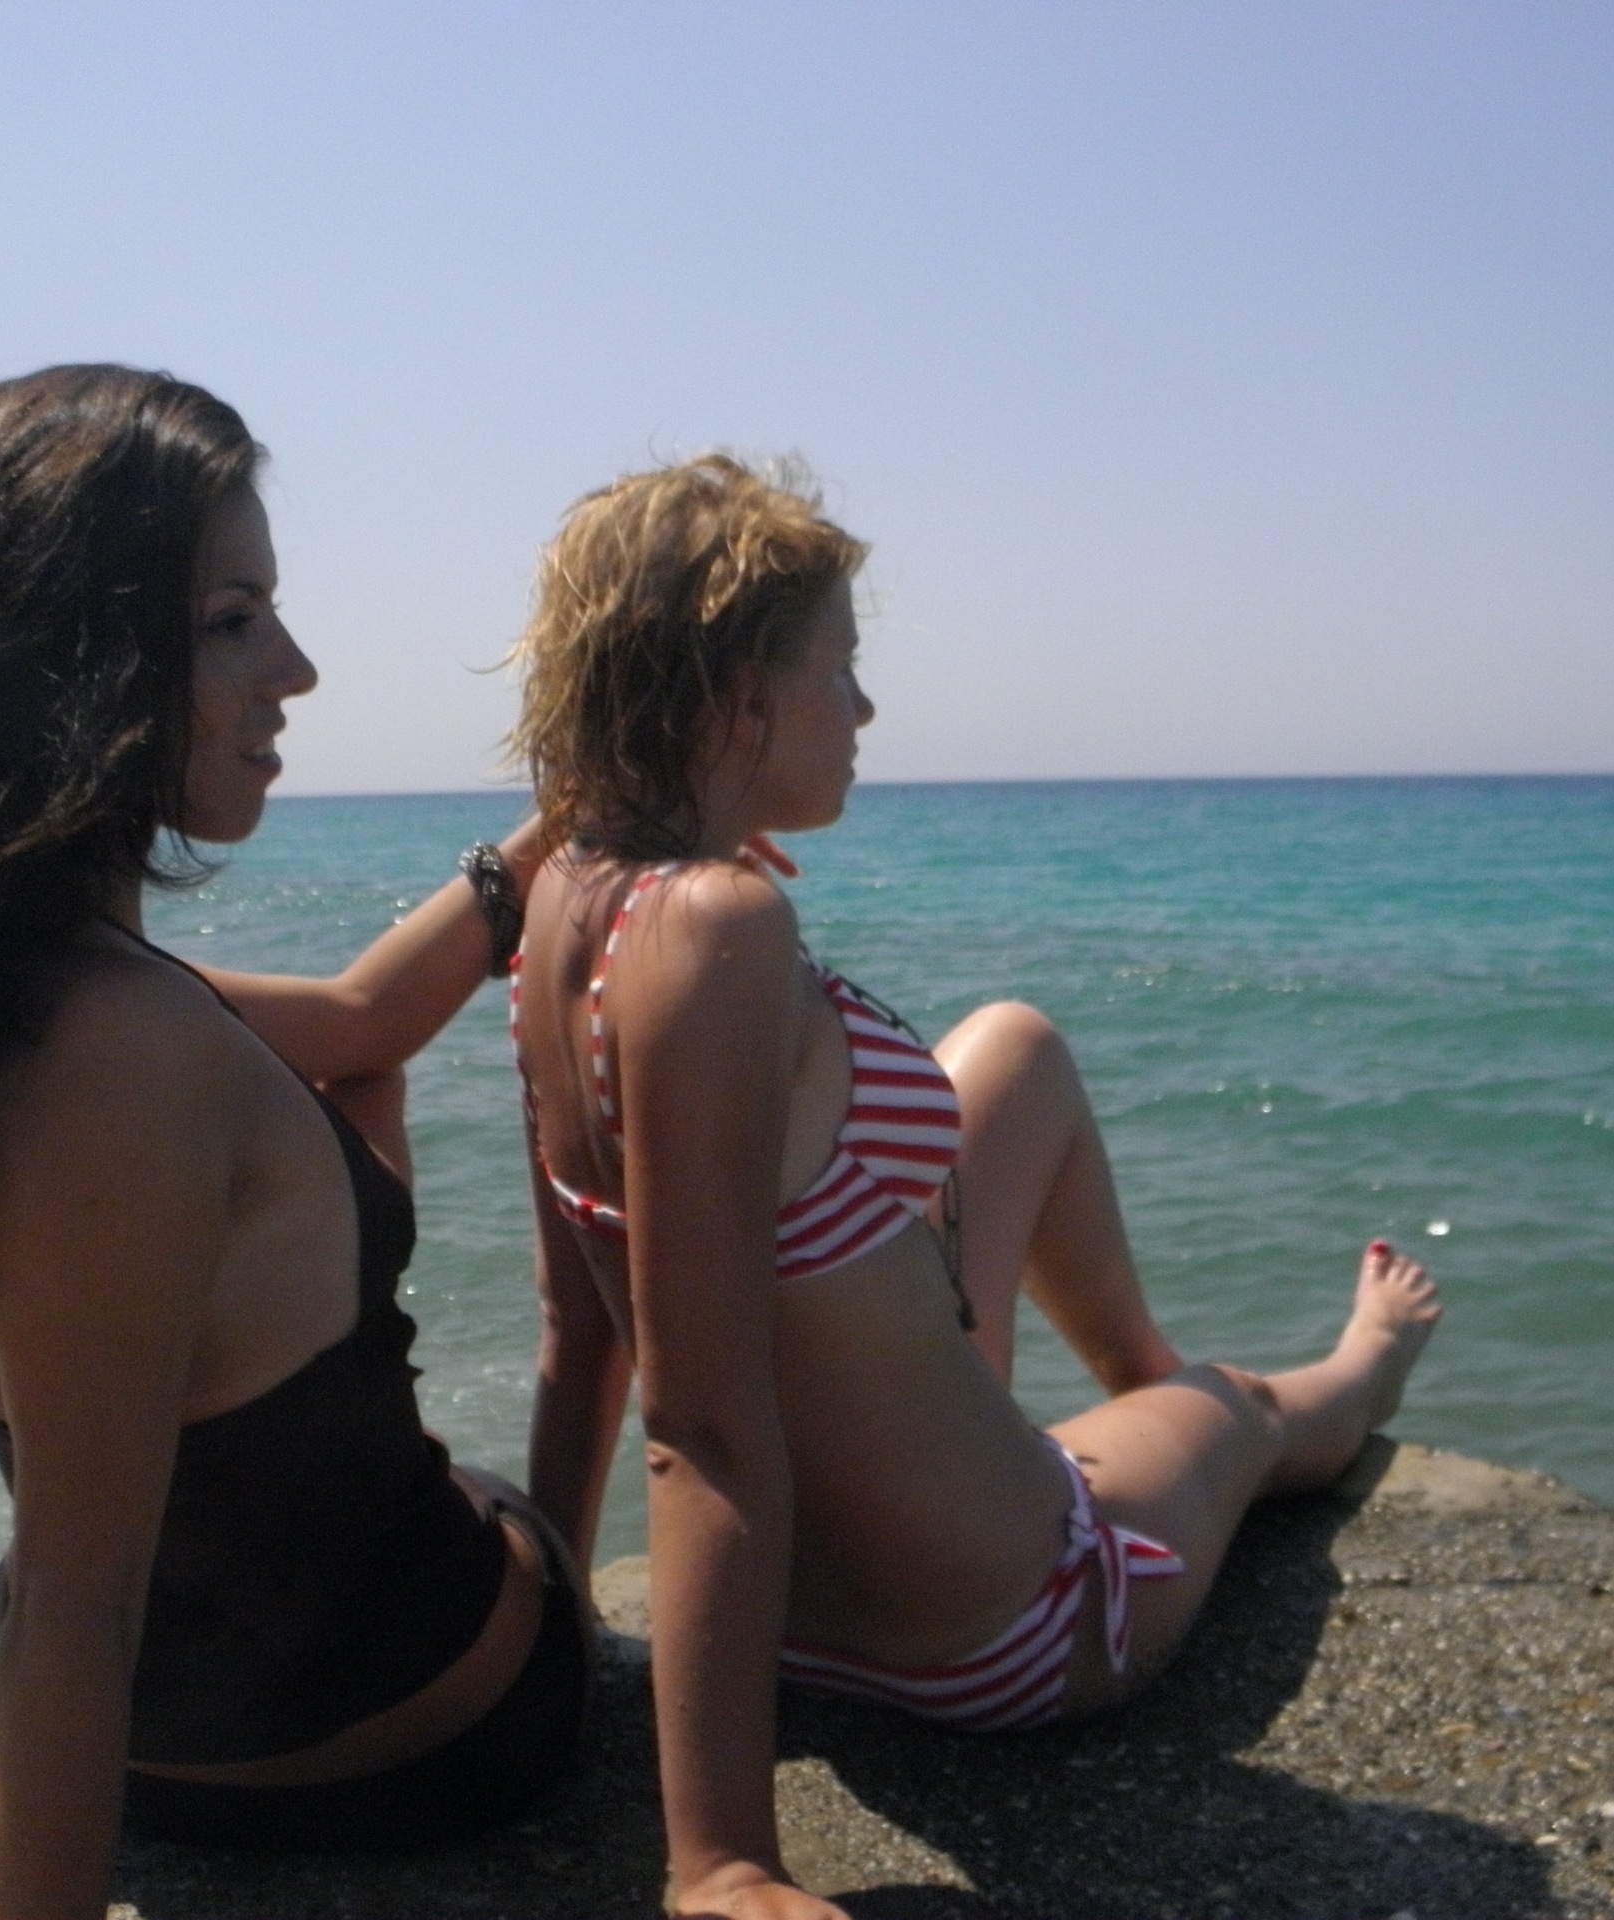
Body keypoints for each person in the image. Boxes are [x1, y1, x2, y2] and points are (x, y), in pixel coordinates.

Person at [0, 365, 599, 1920]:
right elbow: (73, 1603)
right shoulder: (121, 1051)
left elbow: (361, 1021)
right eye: (233, 620)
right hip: (399, 1748)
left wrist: (549, 828)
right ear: (71, 657)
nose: (297, 669)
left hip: (175, 1751)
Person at [506, 454, 1443, 1920]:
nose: (865, 711)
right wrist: (720, 1859)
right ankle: (1343, 1370)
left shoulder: (567, 906)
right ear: (742, 702)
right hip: (1015, 1618)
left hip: (809, 1602)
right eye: (839, 670)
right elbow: (699, 1423)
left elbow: (585, 1329)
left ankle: (1139, 1388)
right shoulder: (723, 929)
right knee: (1251, 1412)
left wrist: (559, 1631)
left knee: (1015, 1049)